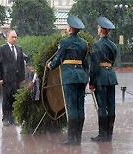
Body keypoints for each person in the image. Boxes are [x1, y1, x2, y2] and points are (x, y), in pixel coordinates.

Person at [47, 15, 89, 145]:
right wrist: (86, 77)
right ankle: (78, 138)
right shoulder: (84, 43)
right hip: (81, 76)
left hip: (69, 76)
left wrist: (50, 65)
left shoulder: (64, 42)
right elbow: (86, 62)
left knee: (71, 107)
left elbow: (58, 58)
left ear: (70, 28)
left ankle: (72, 139)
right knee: (80, 107)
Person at [89, 17, 118, 142]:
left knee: (102, 106)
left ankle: (102, 135)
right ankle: (109, 134)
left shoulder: (96, 45)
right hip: (111, 76)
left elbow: (95, 65)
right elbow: (113, 61)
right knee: (111, 106)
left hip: (101, 77)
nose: (97, 29)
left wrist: (92, 81)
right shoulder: (113, 45)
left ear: (101, 29)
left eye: (98, 27)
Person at [0, 30, 25, 126]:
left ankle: (13, 118)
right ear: (7, 37)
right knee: (6, 98)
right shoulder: (2, 49)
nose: (14, 39)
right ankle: (5, 118)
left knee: (15, 98)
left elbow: (21, 64)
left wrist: (22, 77)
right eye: (13, 37)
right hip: (6, 77)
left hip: (16, 79)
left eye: (16, 37)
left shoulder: (19, 49)